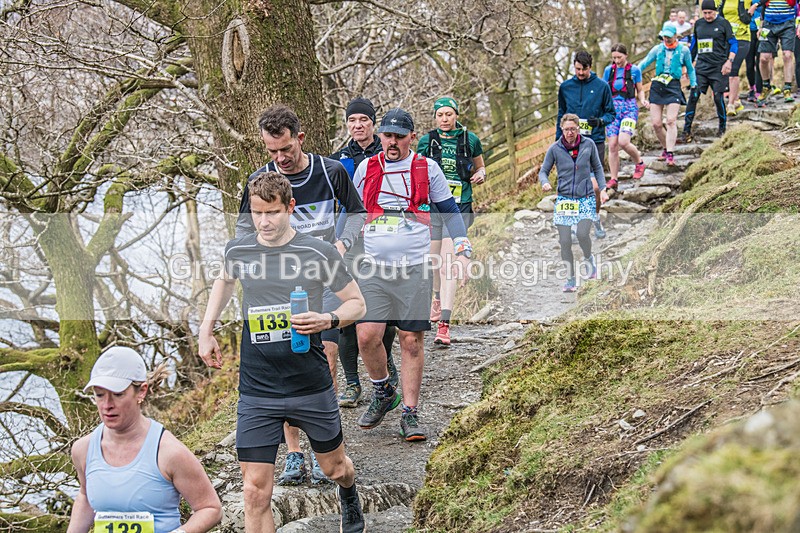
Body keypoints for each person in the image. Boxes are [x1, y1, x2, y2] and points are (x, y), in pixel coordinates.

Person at [200, 171, 367, 533]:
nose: (264, 221)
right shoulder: (239, 248)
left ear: (290, 208)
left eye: (272, 212)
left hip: (309, 383)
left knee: (334, 468)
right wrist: (206, 328)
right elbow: (225, 280)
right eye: (257, 213)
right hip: (258, 388)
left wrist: (328, 318)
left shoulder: (316, 252)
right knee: (254, 492)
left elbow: (357, 304)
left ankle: (349, 491)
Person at [235, 104, 367, 486]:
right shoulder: (261, 181)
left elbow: (356, 212)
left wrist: (341, 244)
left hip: (323, 274)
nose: (279, 159)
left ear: (300, 139)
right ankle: (294, 452)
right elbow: (245, 232)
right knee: (283, 352)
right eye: (271, 152)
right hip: (280, 283)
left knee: (323, 354)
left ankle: (324, 441)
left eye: (285, 150)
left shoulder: (331, 171)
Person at [353, 108, 473, 442]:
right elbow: (351, 213)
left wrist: (463, 247)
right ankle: (382, 391)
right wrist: (337, 244)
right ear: (380, 136)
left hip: (416, 266)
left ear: (411, 137)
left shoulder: (427, 168)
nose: (392, 142)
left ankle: (410, 412)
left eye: (398, 136)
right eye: (387, 136)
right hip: (374, 266)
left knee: (411, 341)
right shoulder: (367, 168)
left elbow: (449, 210)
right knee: (366, 334)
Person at [67, 347, 222, 533]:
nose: (107, 405)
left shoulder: (169, 452)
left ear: (141, 391)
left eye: (118, 394)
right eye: (100, 395)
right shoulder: (82, 450)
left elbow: (211, 509)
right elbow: (85, 497)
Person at [330, 97, 399, 409]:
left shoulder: (386, 152)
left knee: (386, 311)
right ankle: (352, 382)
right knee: (348, 314)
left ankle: (384, 364)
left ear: (374, 123)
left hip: (384, 238)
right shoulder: (337, 160)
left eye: (363, 120)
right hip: (350, 242)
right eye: (352, 121)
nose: (357, 126)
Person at [416, 97, 485, 346]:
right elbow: (416, 171)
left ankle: (444, 324)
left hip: (459, 205)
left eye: (448, 114)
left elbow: (480, 167)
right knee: (433, 261)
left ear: (456, 114)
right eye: (440, 115)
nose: (444, 119)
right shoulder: (426, 141)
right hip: (432, 206)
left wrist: (480, 175)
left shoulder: (470, 139)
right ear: (435, 117)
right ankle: (436, 297)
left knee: (446, 262)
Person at [539, 114, 609, 293]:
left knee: (583, 234)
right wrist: (545, 182)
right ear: (561, 130)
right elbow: (543, 171)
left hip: (585, 197)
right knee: (564, 241)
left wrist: (603, 189)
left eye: (573, 129)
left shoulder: (589, 144)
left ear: (578, 129)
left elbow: (598, 168)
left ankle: (589, 260)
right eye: (566, 129)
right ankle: (570, 278)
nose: (569, 133)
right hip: (564, 200)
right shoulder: (555, 148)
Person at [557, 50, 615, 238]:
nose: (580, 73)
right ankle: (574, 225)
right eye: (577, 69)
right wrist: (558, 141)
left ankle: (595, 216)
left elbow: (611, 114)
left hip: (594, 141)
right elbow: (561, 115)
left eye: (584, 69)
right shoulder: (565, 87)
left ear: (591, 67)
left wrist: (599, 121)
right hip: (570, 143)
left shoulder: (601, 86)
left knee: (595, 186)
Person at [639, 23, 697, 166]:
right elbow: (644, 63)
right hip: (658, 85)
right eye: (664, 37)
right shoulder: (657, 49)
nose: (666, 39)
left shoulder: (683, 50)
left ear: (675, 36)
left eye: (669, 37)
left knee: (671, 120)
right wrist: (632, 74)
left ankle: (670, 154)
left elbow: (690, 68)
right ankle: (665, 148)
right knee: (656, 123)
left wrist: (694, 83)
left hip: (673, 86)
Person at [681, 0, 737, 141]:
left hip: (719, 68)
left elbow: (733, 43)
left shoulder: (723, 23)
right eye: (704, 13)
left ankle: (722, 129)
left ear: (715, 11)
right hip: (701, 68)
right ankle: (686, 131)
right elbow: (693, 47)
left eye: (710, 13)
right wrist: (687, 66)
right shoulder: (699, 24)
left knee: (718, 98)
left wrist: (729, 61)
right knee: (693, 96)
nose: (707, 16)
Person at [602, 44, 648, 190]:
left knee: (623, 141)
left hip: (629, 108)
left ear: (626, 55)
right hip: (612, 110)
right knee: (613, 144)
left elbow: (639, 90)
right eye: (614, 58)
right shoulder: (608, 71)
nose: (617, 60)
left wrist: (643, 100)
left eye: (619, 57)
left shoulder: (635, 70)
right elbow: (603, 90)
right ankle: (614, 178)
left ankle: (639, 162)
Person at [750, 0, 799, 105]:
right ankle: (766, 86)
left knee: (787, 55)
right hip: (768, 23)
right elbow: (762, 5)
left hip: (788, 23)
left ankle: (787, 89)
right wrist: (761, 26)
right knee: (763, 58)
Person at [717, 0, 754, 115]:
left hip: (742, 38)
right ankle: (736, 99)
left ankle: (731, 104)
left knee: (733, 68)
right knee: (724, 69)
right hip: (727, 38)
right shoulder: (722, 1)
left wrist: (755, 6)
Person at [746, 7, 765, 101]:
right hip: (748, 32)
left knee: (760, 62)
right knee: (749, 64)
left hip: (761, 32)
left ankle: (759, 90)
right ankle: (752, 88)